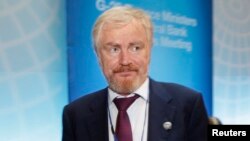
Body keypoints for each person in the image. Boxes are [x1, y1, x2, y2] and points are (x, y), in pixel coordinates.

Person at [62, 6, 208, 141]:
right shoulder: (75, 115)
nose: (125, 60)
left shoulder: (188, 105)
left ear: (149, 51)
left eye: (135, 48)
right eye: (114, 49)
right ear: (98, 55)